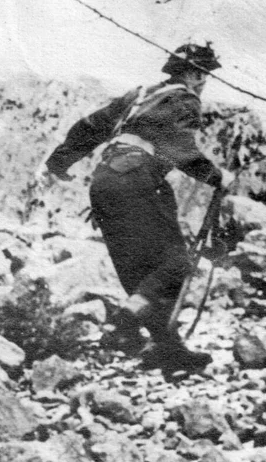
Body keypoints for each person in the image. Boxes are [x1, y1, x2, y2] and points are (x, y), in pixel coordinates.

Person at [43, 43, 233, 373]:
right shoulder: (185, 99)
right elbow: (180, 149)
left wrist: (59, 161)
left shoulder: (139, 95)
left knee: (140, 274)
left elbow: (90, 126)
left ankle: (167, 350)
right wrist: (217, 177)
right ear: (194, 73)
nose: (204, 82)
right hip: (138, 179)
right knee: (176, 263)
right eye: (203, 75)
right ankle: (125, 320)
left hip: (104, 183)